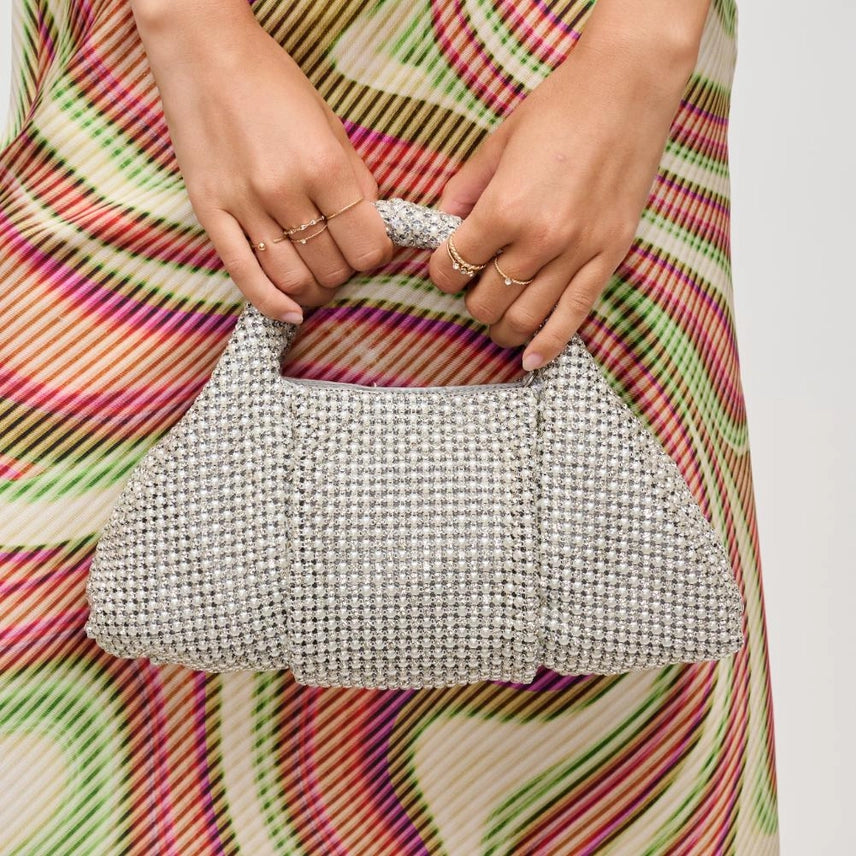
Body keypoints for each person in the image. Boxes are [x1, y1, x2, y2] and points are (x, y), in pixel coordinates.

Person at [0, 0, 780, 851]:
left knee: (617, 750)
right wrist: (192, 31)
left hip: (577, 75)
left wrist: (638, 57)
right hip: (173, 79)